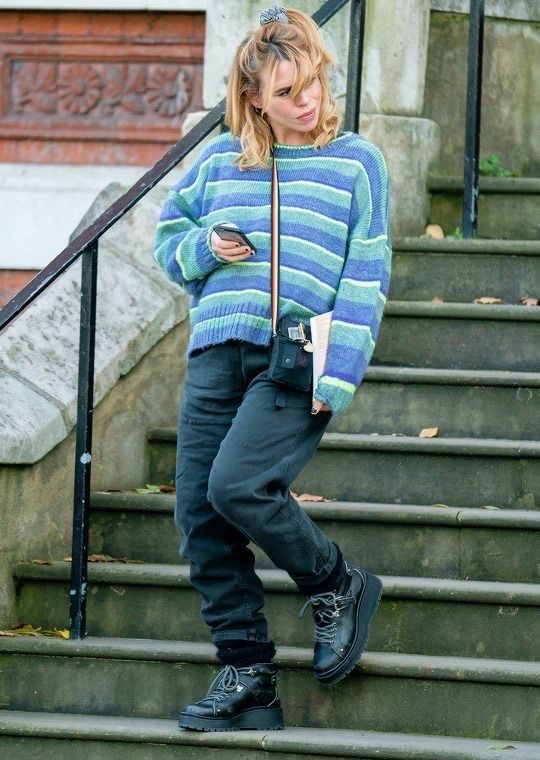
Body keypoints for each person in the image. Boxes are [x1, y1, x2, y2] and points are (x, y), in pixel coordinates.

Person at [154, 4, 392, 733]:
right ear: (255, 96)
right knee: (198, 512)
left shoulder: (357, 161)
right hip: (218, 350)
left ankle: (336, 583)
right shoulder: (223, 160)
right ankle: (250, 675)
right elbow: (169, 238)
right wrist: (204, 249)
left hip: (296, 355)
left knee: (238, 485)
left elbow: (366, 274)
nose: (307, 101)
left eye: (312, 83)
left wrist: (340, 369)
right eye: (287, 93)